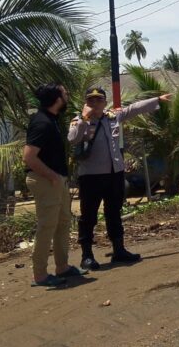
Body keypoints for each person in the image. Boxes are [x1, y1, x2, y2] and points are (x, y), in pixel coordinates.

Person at [69, 87, 170, 270]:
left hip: (114, 173)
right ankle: (87, 255)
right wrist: (84, 117)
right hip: (91, 176)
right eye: (90, 100)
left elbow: (134, 108)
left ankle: (119, 250)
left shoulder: (112, 117)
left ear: (104, 102)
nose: (94, 103)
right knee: (89, 216)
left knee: (113, 212)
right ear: (86, 103)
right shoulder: (78, 120)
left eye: (98, 100)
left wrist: (158, 100)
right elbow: (73, 139)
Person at [23, 83, 85, 287]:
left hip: (55, 180)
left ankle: (62, 267)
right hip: (45, 180)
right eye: (65, 94)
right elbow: (29, 157)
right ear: (58, 98)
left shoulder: (52, 120)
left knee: (63, 223)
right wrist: (52, 177)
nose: (67, 97)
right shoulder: (42, 123)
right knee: (47, 226)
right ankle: (40, 275)